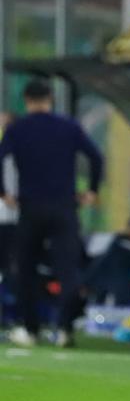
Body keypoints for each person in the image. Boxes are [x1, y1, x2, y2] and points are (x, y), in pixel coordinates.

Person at [0, 80, 102, 348]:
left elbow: (1, 159)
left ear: (26, 100)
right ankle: (65, 329)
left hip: (30, 207)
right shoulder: (68, 126)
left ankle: (30, 329)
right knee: (67, 270)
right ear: (50, 99)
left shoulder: (17, 129)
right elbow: (96, 157)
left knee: (25, 269)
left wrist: (3, 193)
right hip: (64, 207)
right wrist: (91, 190)